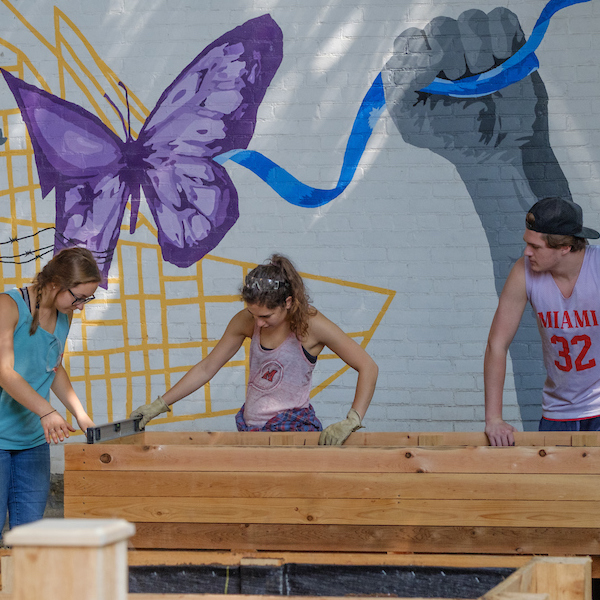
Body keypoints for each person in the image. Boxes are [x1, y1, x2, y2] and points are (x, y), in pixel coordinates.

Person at [131, 254, 379, 445]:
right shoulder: (246, 320)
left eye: (266, 316)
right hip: (252, 431)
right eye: (253, 314)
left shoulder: (311, 325)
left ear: (288, 302)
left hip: (292, 431)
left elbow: (367, 366)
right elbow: (207, 367)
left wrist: (352, 419)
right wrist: (159, 405)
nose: (258, 323)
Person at [0, 247, 100, 538]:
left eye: (87, 299)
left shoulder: (63, 314)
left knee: (30, 536)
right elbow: (5, 373)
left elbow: (53, 367)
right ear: (55, 284)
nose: (81, 306)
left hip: (32, 442)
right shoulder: (8, 305)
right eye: (78, 297)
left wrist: (81, 415)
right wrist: (47, 411)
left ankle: (25, 586)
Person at [484, 197, 600, 446]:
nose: (527, 251)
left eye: (536, 246)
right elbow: (497, 344)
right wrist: (494, 418)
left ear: (564, 247)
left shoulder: (597, 268)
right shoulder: (523, 271)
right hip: (557, 412)